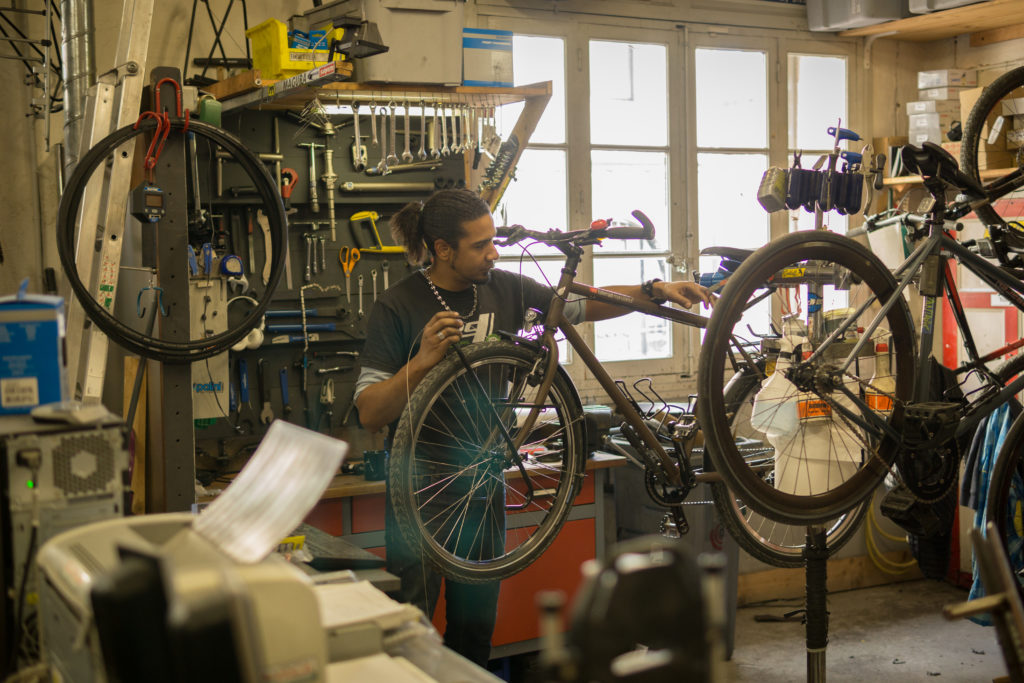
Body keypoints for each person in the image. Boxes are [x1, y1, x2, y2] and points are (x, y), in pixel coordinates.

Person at [354, 188, 710, 666]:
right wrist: (420, 362)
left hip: (484, 484)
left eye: (494, 240)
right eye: (480, 245)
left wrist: (653, 291)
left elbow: (582, 304)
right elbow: (370, 411)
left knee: (476, 631)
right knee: (412, 631)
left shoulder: (503, 286)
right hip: (420, 488)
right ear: (442, 249)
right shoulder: (398, 306)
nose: (493, 252)